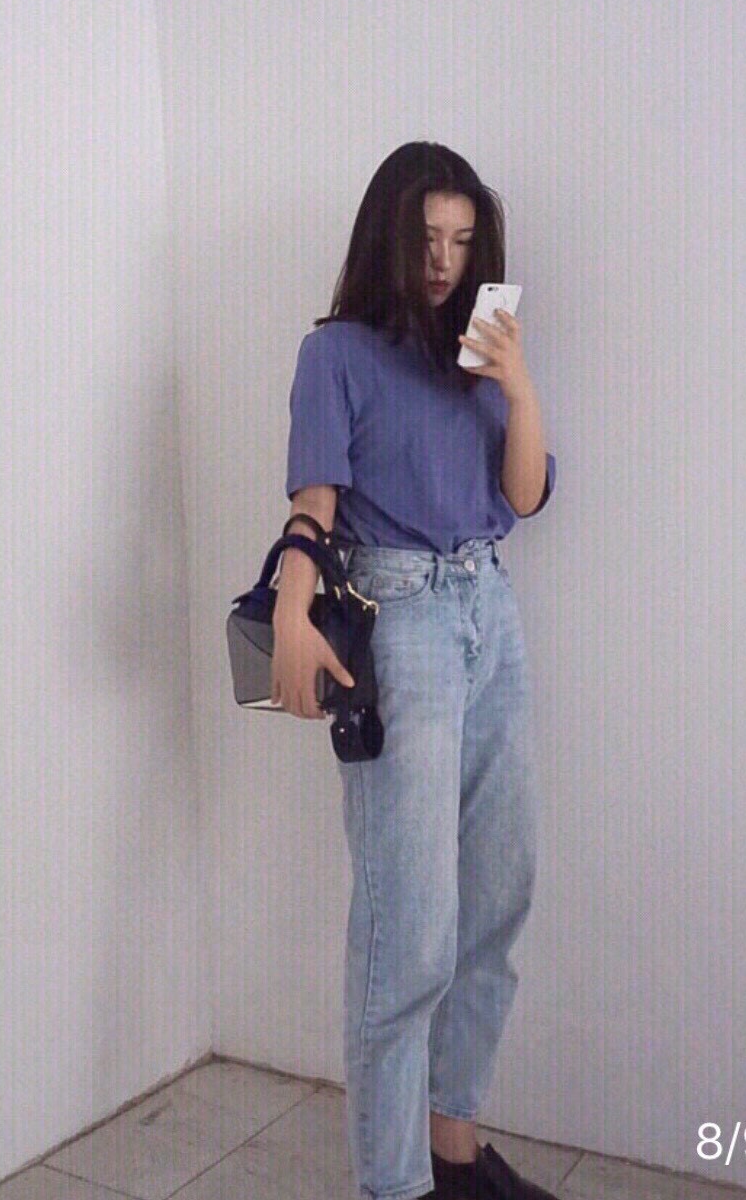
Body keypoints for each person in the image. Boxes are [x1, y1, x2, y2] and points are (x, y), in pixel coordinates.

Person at [271, 142, 558, 1200]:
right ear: (389, 238)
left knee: (496, 902)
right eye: (427, 237)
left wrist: (517, 381)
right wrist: (292, 610)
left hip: (491, 614)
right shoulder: (337, 354)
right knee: (409, 933)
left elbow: (523, 496)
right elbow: (314, 504)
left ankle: (453, 1148)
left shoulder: (478, 354)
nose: (443, 260)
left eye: (462, 240)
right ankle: (393, 1185)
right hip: (401, 625)